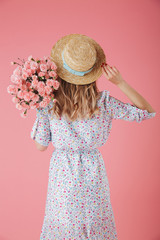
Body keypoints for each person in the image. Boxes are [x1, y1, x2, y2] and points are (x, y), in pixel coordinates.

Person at [30, 34, 156, 240]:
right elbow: (147, 112)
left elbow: (40, 146)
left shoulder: (50, 104)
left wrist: (39, 106)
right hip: (93, 171)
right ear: (93, 72)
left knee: (64, 225)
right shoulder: (104, 102)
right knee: (93, 225)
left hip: (62, 172)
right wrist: (120, 82)